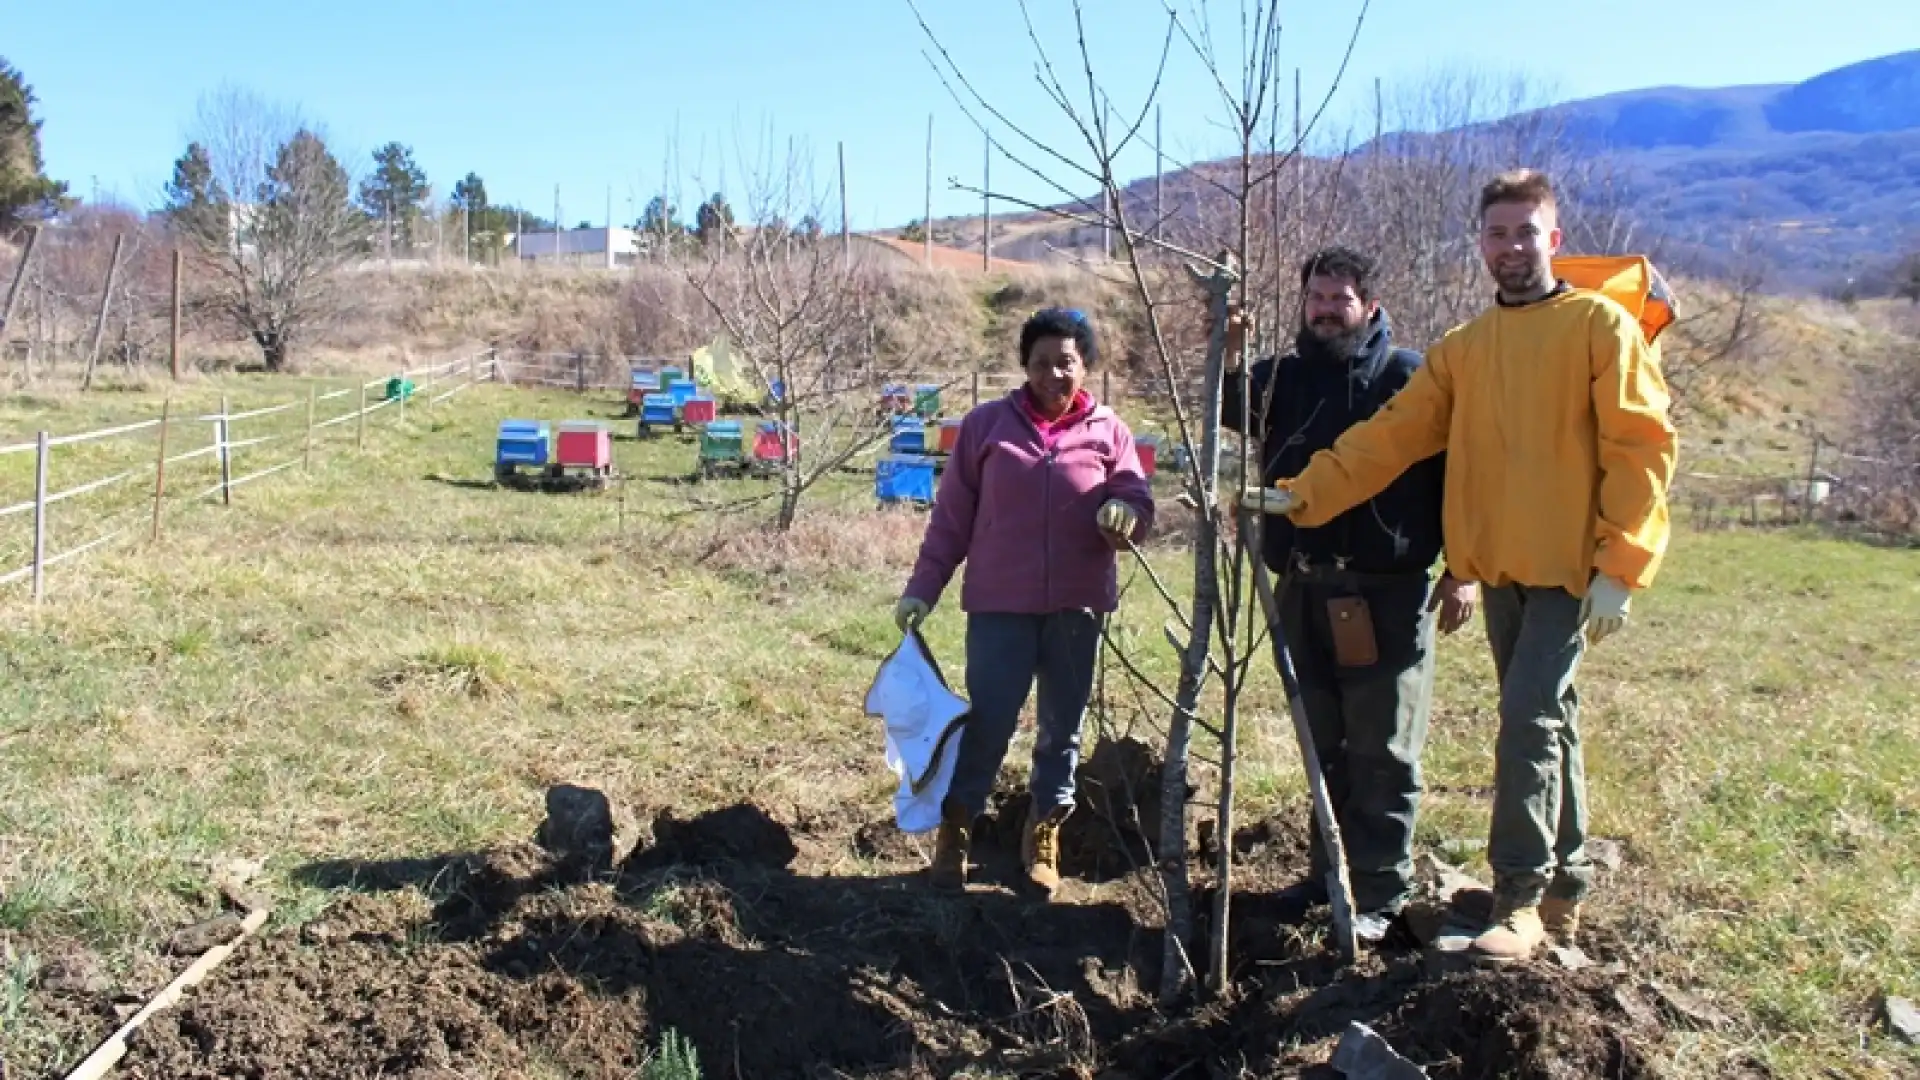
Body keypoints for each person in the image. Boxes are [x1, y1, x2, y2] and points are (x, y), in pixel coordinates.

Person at [1242, 169, 1678, 965]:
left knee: (1527, 722)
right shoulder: (1466, 351)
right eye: (1497, 233)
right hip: (1505, 565)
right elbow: (1388, 439)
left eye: (1526, 232)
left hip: (1572, 567)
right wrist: (1298, 496)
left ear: (1555, 239)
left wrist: (1624, 559)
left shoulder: (1598, 328)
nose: (1511, 247)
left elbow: (1640, 444)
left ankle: (1517, 899)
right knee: (1551, 721)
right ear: (1480, 245)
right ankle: (1563, 894)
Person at [1222, 246, 1478, 944]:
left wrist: (1464, 567)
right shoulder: (1282, 379)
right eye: (1315, 298)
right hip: (1304, 587)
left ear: (1367, 303)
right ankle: (1327, 875)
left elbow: (1461, 476)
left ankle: (1382, 894)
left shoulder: (1410, 379)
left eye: (1339, 299)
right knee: (1323, 742)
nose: (1326, 310)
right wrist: (1231, 347)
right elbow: (1231, 408)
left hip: (1386, 592)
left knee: (1383, 748)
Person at [894, 307, 1156, 897]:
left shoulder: (1110, 432)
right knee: (988, 722)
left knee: (1062, 728)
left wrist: (1127, 515)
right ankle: (956, 830)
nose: (1054, 375)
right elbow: (950, 521)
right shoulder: (986, 427)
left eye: (1066, 362)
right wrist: (921, 589)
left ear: (1084, 365)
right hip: (999, 608)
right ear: (1024, 367)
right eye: (1041, 363)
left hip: (1075, 609)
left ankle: (1043, 835)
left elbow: (1136, 497)